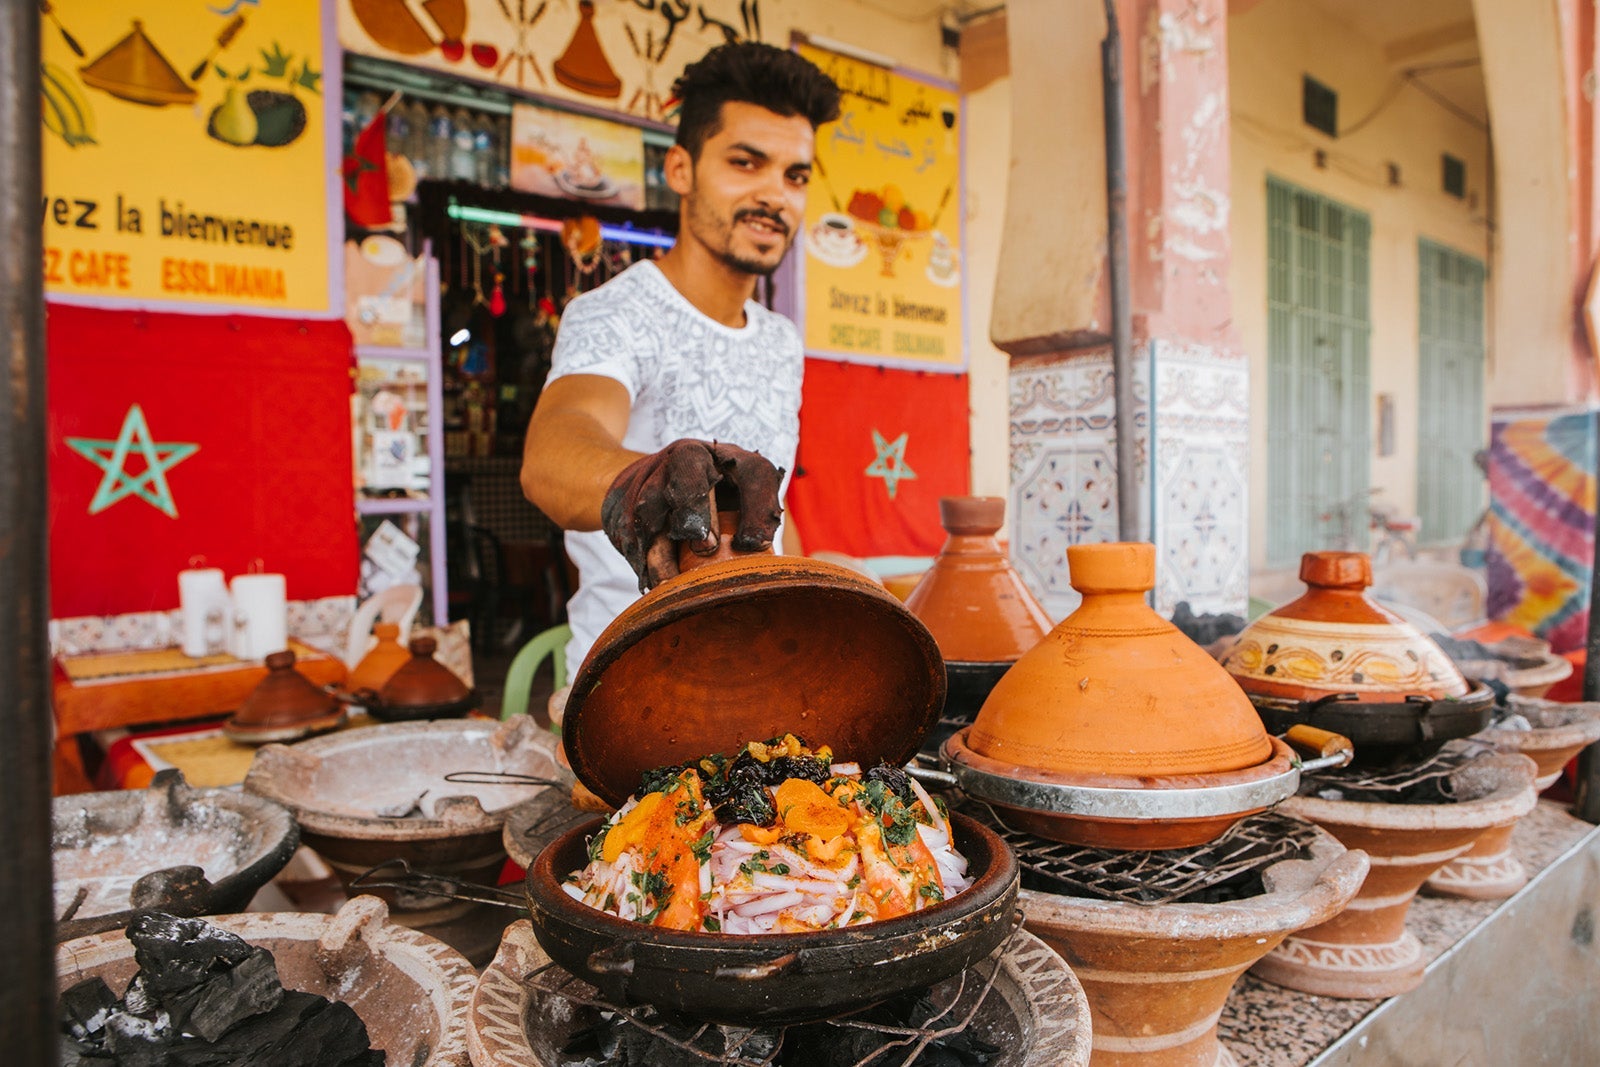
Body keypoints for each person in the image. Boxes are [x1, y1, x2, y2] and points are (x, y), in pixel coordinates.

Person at [520, 42, 841, 687]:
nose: (774, 195)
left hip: (759, 674)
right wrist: (652, 482)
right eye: (746, 163)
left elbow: (772, 511)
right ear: (681, 168)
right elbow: (552, 453)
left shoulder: (781, 341)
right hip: (634, 680)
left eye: (794, 176)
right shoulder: (616, 314)